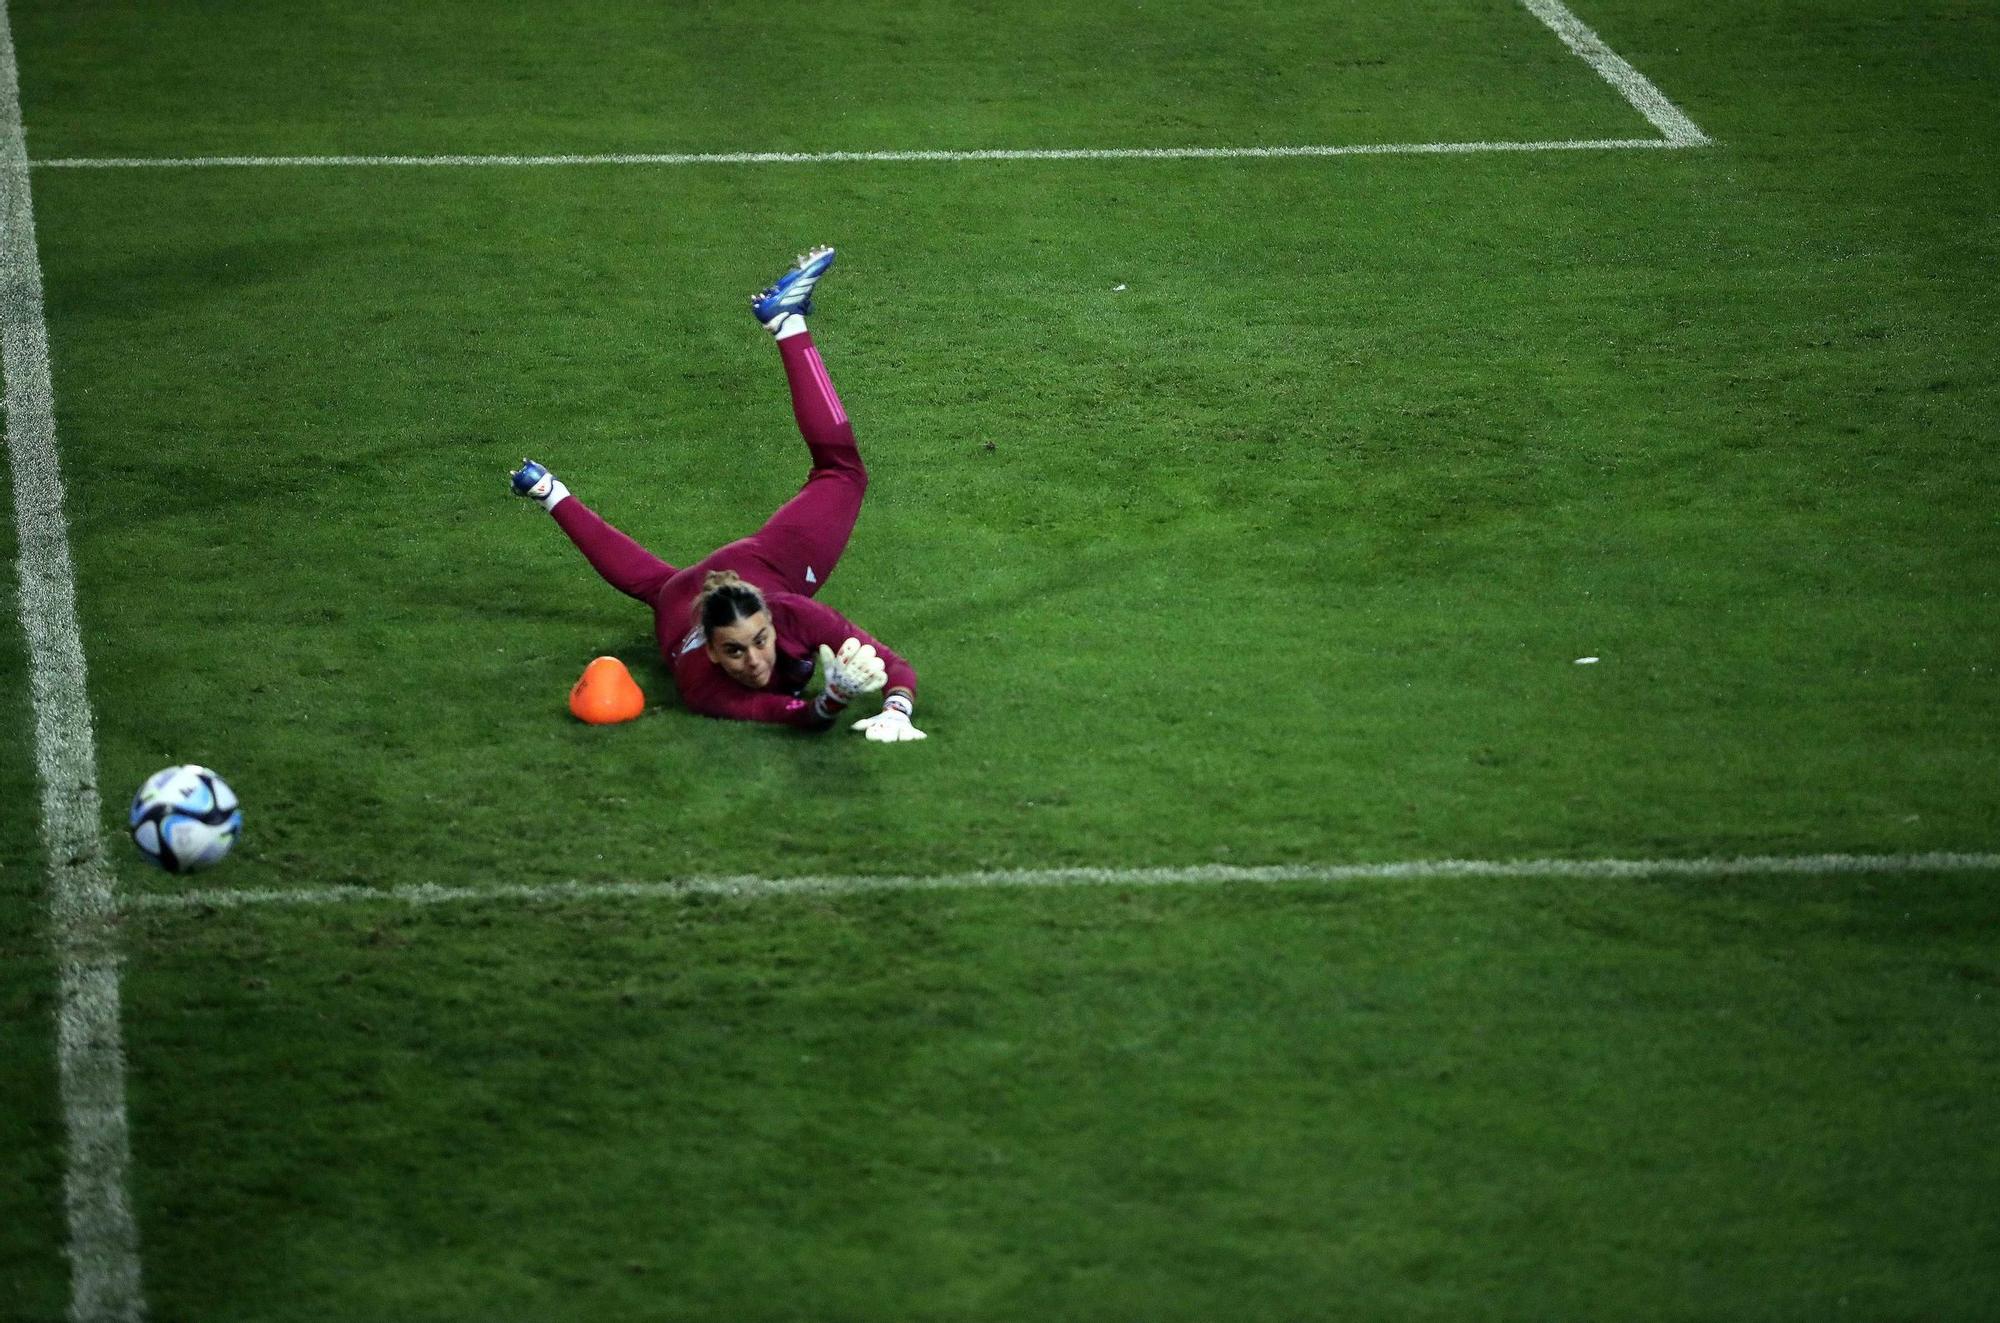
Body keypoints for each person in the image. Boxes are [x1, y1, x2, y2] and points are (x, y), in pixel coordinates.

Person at [509, 246, 925, 741]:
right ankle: (787, 324)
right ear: (709, 649)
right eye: (735, 650)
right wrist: (832, 698)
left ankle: (788, 323)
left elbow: (895, 667)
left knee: (840, 472)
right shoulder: (701, 687)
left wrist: (896, 706)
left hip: (763, 564)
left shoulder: (794, 612)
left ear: (773, 617)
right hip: (692, 591)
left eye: (760, 641)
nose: (754, 661)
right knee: (663, 585)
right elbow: (794, 717)